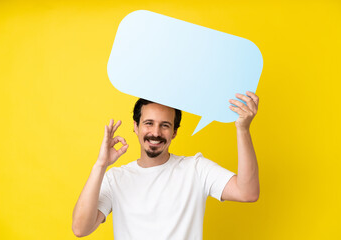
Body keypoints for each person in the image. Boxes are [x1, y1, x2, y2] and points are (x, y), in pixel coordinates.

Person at [72, 91, 260, 239]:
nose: (155, 132)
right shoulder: (115, 178)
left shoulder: (196, 169)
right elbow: (80, 228)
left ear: (174, 132)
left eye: (165, 125)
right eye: (148, 123)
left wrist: (242, 129)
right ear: (136, 127)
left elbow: (247, 192)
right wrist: (100, 165)